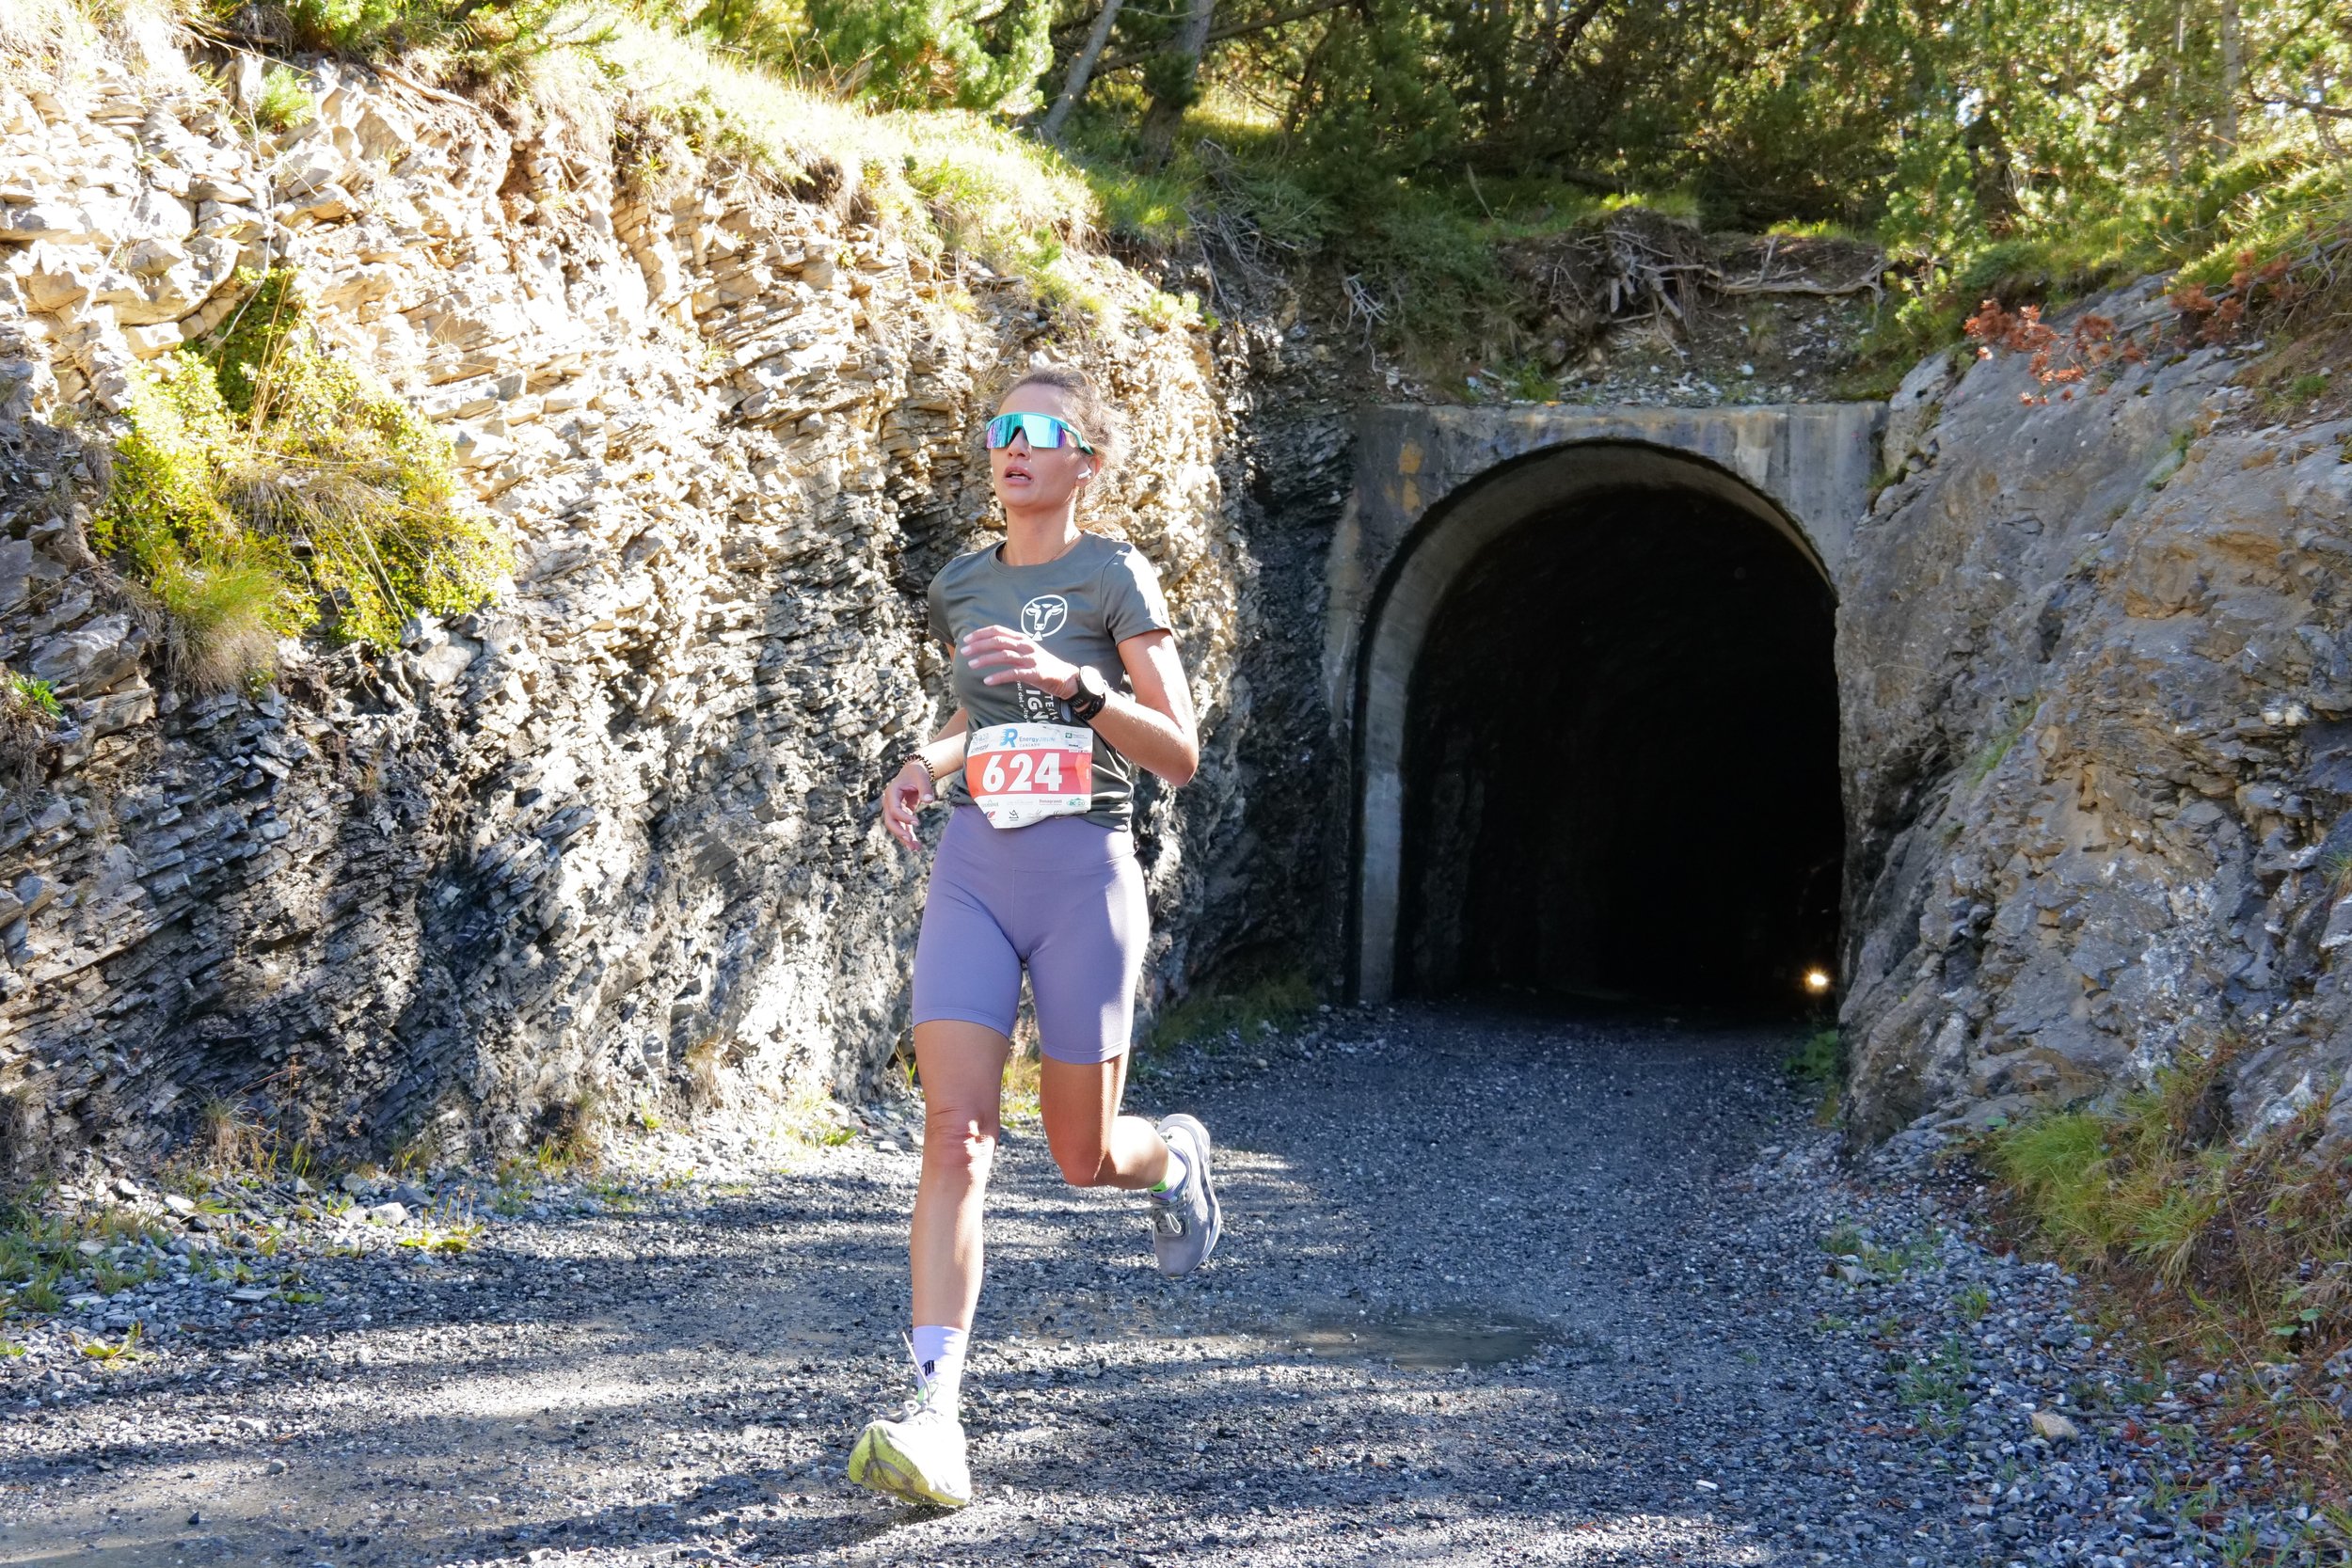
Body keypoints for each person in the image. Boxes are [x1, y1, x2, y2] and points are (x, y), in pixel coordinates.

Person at [847, 364, 1223, 1510]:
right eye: (1000, 429)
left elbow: (1179, 749)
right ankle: (933, 1408)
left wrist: (1078, 686)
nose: (1011, 447)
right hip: (973, 869)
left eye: (1039, 432)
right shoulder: (962, 582)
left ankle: (1173, 1160)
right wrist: (924, 763)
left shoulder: (1112, 573)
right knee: (955, 1132)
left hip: (1082, 876)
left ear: (1084, 461)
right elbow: (975, 717)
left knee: (1078, 1153)